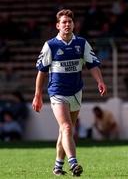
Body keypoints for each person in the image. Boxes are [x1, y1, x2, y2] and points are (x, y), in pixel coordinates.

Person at [32, 9, 106, 176]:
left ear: (74, 24)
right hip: (57, 92)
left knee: (66, 130)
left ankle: (58, 166)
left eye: (69, 22)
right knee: (66, 127)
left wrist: (100, 81)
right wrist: (38, 95)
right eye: (64, 22)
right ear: (58, 25)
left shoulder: (81, 43)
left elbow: (92, 64)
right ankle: (73, 163)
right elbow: (42, 72)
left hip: (76, 92)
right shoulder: (50, 45)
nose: (67, 24)